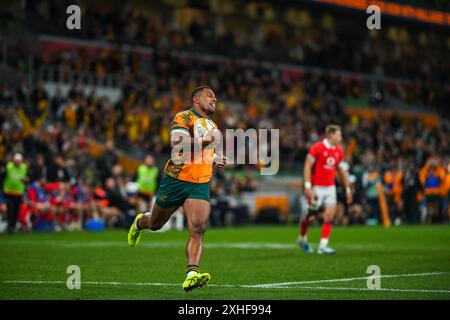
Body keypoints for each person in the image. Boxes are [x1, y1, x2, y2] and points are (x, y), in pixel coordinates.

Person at [127, 86, 226, 291]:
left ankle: (192, 273)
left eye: (216, 97)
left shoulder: (212, 124)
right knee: (155, 224)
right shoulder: (184, 117)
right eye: (210, 96)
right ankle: (140, 223)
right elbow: (176, 143)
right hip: (176, 179)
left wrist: (214, 157)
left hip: (199, 182)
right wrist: (206, 140)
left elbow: (204, 152)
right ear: (196, 99)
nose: (214, 99)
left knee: (198, 228)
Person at [297, 125, 352, 254]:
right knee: (310, 218)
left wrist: (347, 189)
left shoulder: (339, 151)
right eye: (338, 135)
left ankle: (323, 246)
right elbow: (307, 166)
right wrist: (308, 187)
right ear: (330, 135)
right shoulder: (317, 148)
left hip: (330, 187)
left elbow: (341, 171)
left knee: (329, 216)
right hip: (317, 188)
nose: (340, 137)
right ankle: (302, 238)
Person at [3, 153, 28, 234]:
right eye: (16, 160)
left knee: (16, 210)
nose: (17, 162)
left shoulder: (24, 167)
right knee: (10, 209)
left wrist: (26, 180)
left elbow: (27, 177)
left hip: (18, 192)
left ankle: (13, 226)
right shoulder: (9, 166)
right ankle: (10, 226)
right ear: (13, 160)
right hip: (9, 192)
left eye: (19, 160)